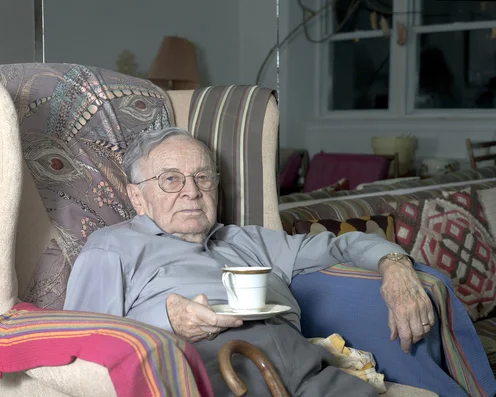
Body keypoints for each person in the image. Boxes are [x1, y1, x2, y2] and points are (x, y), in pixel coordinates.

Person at [63, 127, 437, 396]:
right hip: (218, 368)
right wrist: (167, 323)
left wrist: (394, 264)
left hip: (306, 368)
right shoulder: (113, 247)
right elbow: (78, 342)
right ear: (137, 197)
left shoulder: (246, 239)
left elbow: (341, 246)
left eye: (203, 177)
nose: (192, 191)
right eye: (171, 179)